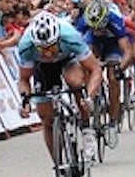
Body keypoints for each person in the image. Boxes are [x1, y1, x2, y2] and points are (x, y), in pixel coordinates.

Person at [17, 11, 103, 165]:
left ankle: (86, 128)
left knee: (76, 82)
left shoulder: (70, 36)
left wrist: (89, 98)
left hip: (67, 60)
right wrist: (25, 101)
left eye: (51, 47)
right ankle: (59, 168)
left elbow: (95, 69)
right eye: (42, 49)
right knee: (46, 119)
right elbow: (24, 79)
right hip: (42, 67)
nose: (48, 53)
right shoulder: (26, 46)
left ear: (58, 39)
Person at [75, 0, 135, 150]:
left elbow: (128, 51)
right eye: (93, 28)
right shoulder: (83, 21)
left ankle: (113, 122)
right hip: (93, 43)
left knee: (113, 76)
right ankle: (91, 101)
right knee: (88, 63)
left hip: (113, 43)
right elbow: (76, 46)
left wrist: (120, 69)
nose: (96, 31)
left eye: (99, 28)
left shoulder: (115, 20)